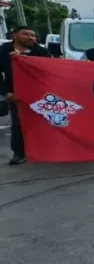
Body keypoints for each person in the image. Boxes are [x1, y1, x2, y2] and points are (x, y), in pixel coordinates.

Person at [0, 26, 51, 165]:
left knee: (44, 121)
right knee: (18, 123)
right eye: (26, 34)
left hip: (38, 92)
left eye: (33, 35)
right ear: (14, 35)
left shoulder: (40, 51)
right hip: (15, 93)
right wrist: (5, 92)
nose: (31, 38)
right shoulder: (4, 50)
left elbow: (49, 70)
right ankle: (19, 153)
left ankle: (45, 149)